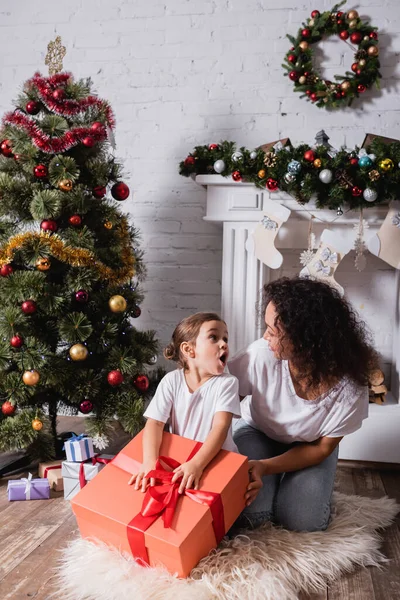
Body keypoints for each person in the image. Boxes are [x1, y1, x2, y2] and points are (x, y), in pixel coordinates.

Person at [229, 277, 379, 532]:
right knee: (250, 515)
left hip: (311, 446)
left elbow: (322, 448)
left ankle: (290, 480)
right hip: (258, 432)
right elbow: (221, 403)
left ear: (305, 340)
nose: (265, 336)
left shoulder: (350, 388)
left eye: (273, 332)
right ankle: (276, 481)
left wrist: (264, 467)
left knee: (303, 521)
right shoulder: (259, 356)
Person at [130, 312, 240, 494]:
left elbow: (220, 428)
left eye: (225, 338)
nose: (224, 344)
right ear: (189, 350)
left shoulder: (227, 383)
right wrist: (150, 461)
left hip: (216, 458)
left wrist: (197, 463)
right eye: (214, 337)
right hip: (184, 459)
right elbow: (155, 423)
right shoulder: (171, 381)